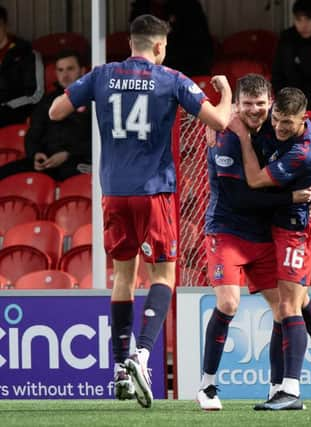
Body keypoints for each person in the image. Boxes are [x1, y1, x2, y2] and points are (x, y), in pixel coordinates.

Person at [49, 14, 232, 409]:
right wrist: (227, 92)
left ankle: (118, 370)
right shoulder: (171, 78)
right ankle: (143, 356)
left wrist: (86, 95)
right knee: (164, 275)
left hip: (114, 191)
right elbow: (219, 119)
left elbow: (55, 113)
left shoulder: (102, 74)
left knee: (123, 278)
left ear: (131, 43)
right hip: (154, 192)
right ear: (160, 47)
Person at [197, 74, 311, 411]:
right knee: (229, 304)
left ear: (270, 103)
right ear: (237, 105)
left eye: (260, 103)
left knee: (285, 309)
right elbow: (240, 197)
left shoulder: (273, 127)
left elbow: (306, 147)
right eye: (247, 104)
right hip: (228, 230)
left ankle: (278, 389)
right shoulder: (226, 137)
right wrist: (292, 197)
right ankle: (207, 385)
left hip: (263, 234)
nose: (254, 110)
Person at [231, 87, 311, 410]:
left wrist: (242, 139)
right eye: (277, 119)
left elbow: (256, 181)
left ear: (304, 119)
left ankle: (291, 391)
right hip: (274, 226)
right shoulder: (270, 123)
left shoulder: (304, 151)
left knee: (287, 307)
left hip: (296, 229)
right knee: (291, 305)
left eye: (288, 123)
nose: (280, 127)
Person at [0, 50, 91, 181]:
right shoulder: (47, 101)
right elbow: (32, 135)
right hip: (47, 162)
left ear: (82, 71)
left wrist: (68, 154)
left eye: (70, 69)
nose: (65, 75)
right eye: (60, 70)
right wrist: (36, 154)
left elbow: (99, 140)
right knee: (4, 173)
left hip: (77, 160)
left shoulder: (93, 100)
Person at [0, 6, 44, 127]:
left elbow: (36, 94)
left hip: (18, 110)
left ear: (5, 25)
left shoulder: (27, 52)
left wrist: (7, 106)